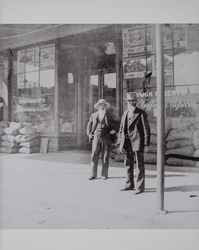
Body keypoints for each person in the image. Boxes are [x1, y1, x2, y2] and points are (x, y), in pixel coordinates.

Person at [117, 92, 150, 194]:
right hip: (127, 143)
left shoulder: (141, 113)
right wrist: (120, 143)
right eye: (130, 101)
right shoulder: (125, 113)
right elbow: (121, 129)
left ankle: (140, 187)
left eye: (134, 100)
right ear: (127, 101)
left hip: (138, 142)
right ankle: (129, 185)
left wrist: (146, 144)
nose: (132, 102)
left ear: (136, 101)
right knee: (128, 164)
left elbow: (146, 129)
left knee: (139, 166)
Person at [87, 99, 116, 180]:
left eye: (103, 105)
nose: (102, 106)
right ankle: (93, 174)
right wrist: (89, 134)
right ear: (98, 106)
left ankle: (104, 174)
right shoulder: (94, 115)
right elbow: (89, 125)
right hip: (96, 136)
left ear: (105, 106)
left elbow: (115, 124)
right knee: (94, 155)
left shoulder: (109, 115)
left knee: (105, 156)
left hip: (106, 136)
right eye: (100, 105)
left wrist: (113, 130)